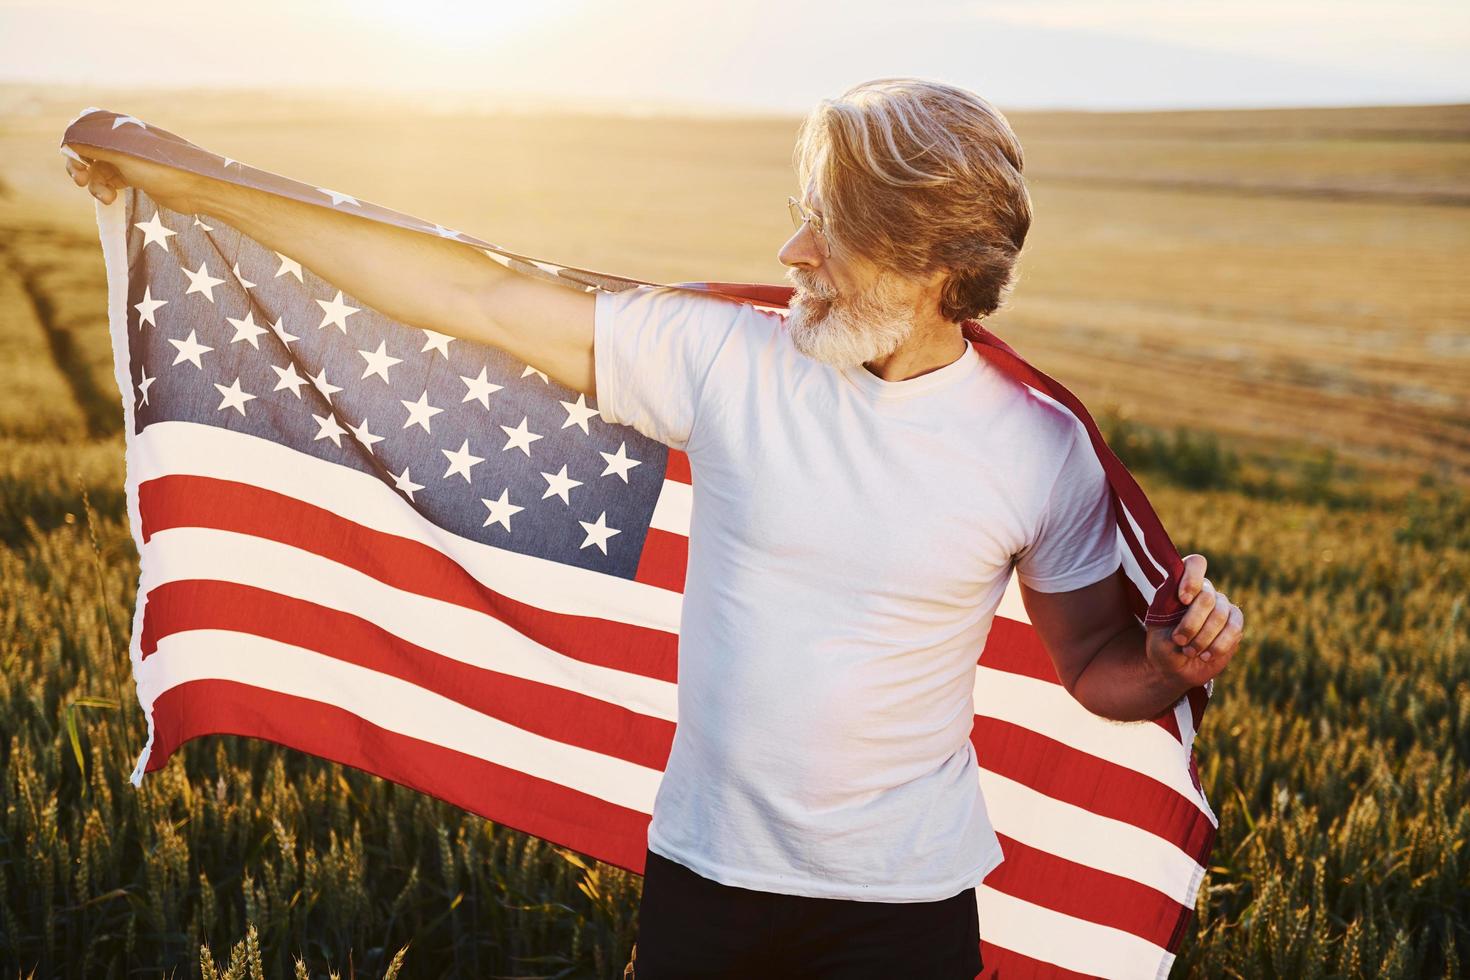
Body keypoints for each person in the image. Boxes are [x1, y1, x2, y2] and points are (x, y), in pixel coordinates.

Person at [65, 76, 1244, 978]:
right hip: (705, 887)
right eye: (801, 214)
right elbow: (469, 292)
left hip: (907, 913)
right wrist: (194, 183)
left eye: (829, 226)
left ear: (938, 259)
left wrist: (1167, 662)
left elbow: (1097, 666)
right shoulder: (728, 360)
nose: (790, 252)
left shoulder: (1037, 450)